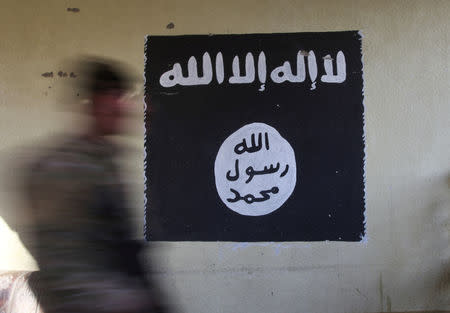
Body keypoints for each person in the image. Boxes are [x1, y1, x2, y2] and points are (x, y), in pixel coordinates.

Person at [22, 58, 168, 313]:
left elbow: (125, 247)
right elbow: (65, 270)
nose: (125, 106)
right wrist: (132, 301)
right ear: (95, 102)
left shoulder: (105, 161)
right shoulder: (62, 168)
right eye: (116, 96)